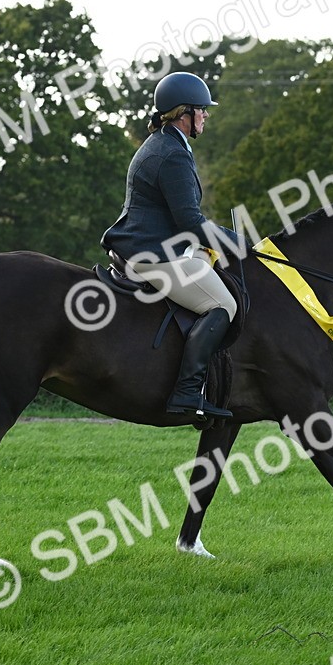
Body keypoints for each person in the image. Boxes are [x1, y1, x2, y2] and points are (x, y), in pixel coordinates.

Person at [102, 72, 243, 419]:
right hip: (151, 256)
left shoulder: (168, 143)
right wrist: (235, 241)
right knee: (223, 304)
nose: (206, 115)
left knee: (207, 269)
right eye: (202, 110)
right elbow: (190, 222)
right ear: (185, 114)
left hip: (153, 247)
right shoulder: (172, 153)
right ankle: (187, 392)